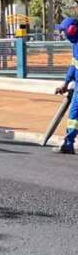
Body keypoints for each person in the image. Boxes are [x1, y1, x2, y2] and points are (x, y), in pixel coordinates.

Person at [54, 17, 78, 154]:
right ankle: (68, 144)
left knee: (74, 116)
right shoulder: (75, 44)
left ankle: (68, 144)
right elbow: (74, 65)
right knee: (74, 117)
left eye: (63, 31)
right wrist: (66, 83)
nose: (62, 34)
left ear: (72, 30)